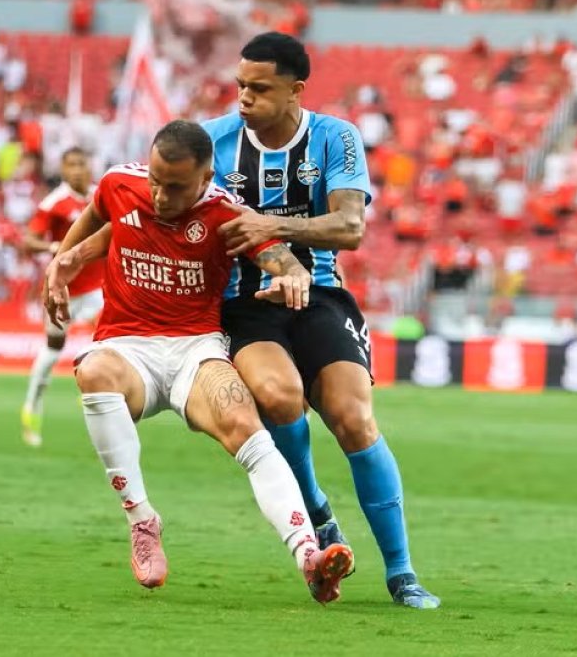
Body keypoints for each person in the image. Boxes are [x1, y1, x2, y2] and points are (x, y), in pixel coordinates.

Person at [44, 120, 353, 603]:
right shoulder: (120, 183)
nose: (161, 196)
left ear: (206, 177)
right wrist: (65, 261)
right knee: (93, 370)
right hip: (129, 346)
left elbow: (283, 260)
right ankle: (142, 519)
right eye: (156, 181)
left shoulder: (227, 214)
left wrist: (294, 277)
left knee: (242, 420)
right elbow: (99, 214)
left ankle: (309, 555)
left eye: (176, 187)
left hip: (196, 348)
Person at [201, 32, 439, 608]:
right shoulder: (214, 142)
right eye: (240, 86)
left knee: (353, 418)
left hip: (323, 298)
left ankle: (402, 573)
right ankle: (316, 510)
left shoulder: (335, 137)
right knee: (279, 398)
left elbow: (349, 228)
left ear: (295, 90)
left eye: (259, 88)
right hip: (245, 305)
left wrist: (272, 227)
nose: (244, 99)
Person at [20, 148, 103, 447]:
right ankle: (32, 405)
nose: (78, 170)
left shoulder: (100, 195)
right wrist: (52, 247)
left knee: (107, 338)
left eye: (82, 164)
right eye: (71, 166)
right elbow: (28, 241)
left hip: (97, 287)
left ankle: (96, 392)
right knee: (54, 348)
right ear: (64, 170)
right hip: (63, 289)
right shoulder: (53, 203)